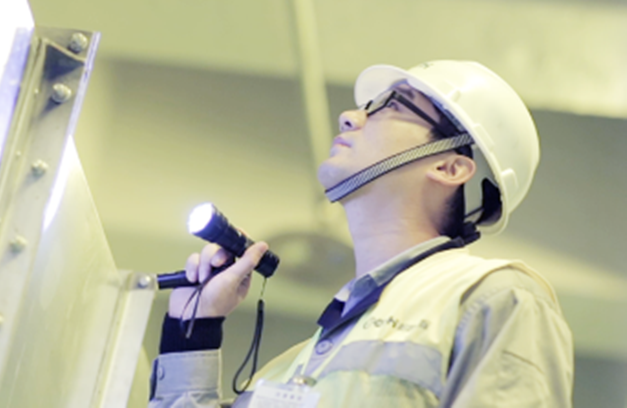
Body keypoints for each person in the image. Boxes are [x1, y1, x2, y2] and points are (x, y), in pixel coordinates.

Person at [148, 61, 574, 407]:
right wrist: (195, 330)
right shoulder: (288, 370)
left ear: (449, 167)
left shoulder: (496, 299)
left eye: (394, 106)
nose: (350, 116)